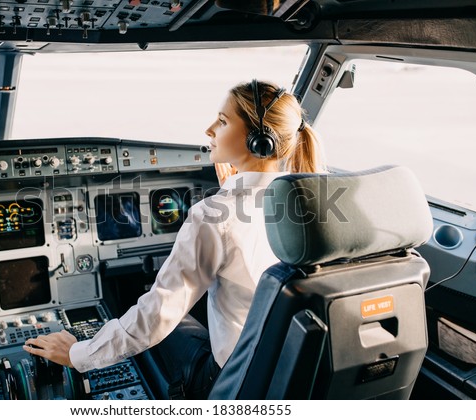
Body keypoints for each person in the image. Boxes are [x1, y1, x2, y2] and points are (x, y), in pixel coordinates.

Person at [23, 80, 325, 399]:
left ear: (257, 140)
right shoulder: (314, 200)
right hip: (288, 370)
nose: (210, 130)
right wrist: (236, 184)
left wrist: (78, 354)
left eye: (222, 121)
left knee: (146, 308)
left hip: (232, 380)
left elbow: (157, 316)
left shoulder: (214, 215)